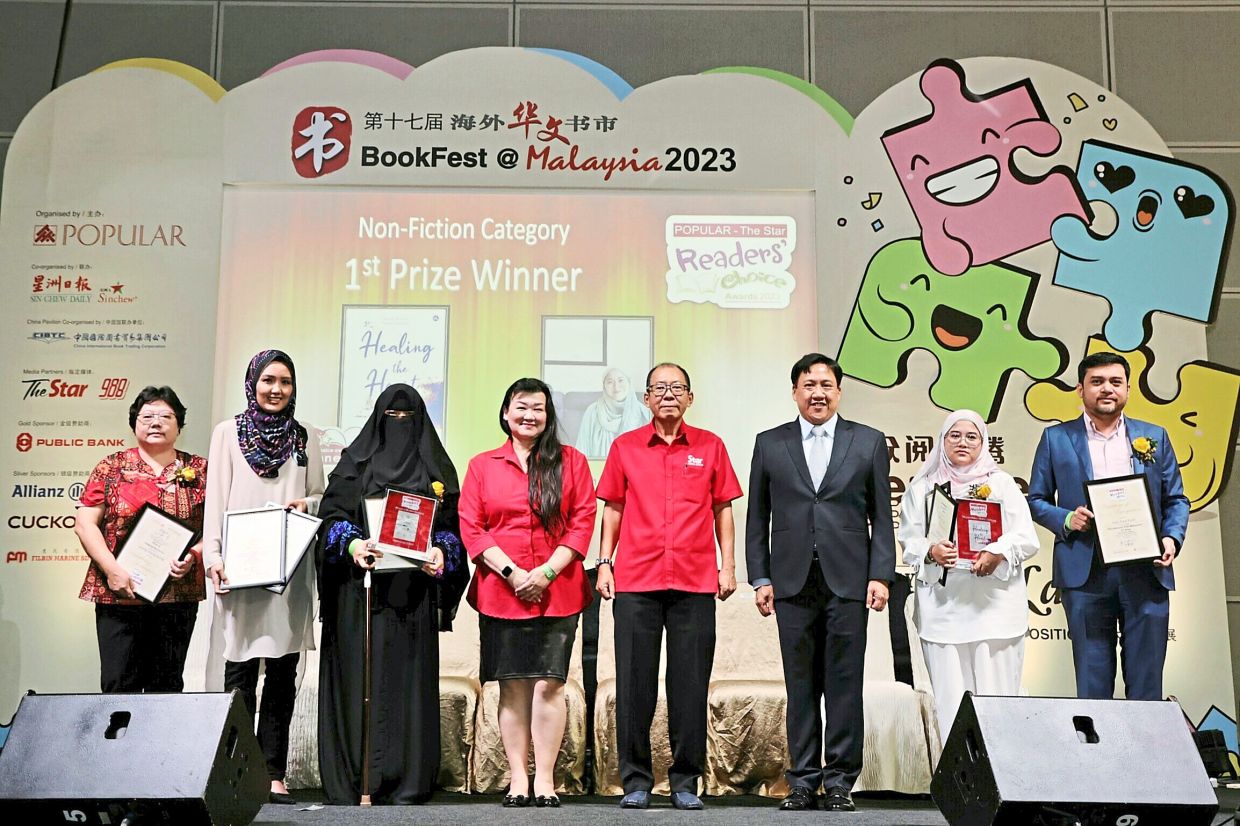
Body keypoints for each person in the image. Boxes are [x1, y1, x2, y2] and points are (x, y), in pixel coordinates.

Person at [745, 353, 894, 812]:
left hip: (849, 579)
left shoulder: (867, 442)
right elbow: (757, 516)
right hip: (791, 581)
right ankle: (804, 780)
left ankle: (841, 781)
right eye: (809, 385)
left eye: (827, 385)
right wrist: (760, 576)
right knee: (801, 685)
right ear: (795, 391)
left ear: (839, 391)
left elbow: (881, 518)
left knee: (845, 684)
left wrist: (880, 575)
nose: (818, 393)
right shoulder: (770, 443)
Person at [595, 362, 742, 811]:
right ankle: (636, 780)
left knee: (690, 685)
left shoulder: (711, 446)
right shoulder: (625, 447)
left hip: (695, 581)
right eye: (659, 388)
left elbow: (723, 510)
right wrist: (604, 563)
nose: (668, 395)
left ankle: (685, 781)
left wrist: (728, 565)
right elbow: (614, 509)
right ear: (645, 398)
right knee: (635, 683)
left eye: (677, 388)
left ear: (690, 398)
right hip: (636, 579)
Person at [316, 384, 468, 805]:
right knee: (357, 679)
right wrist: (352, 544)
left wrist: (441, 552)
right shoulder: (353, 465)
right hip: (357, 598)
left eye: (407, 418)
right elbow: (330, 520)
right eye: (391, 417)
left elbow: (452, 532)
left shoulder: (435, 469)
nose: (399, 425)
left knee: (406, 686)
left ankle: (407, 779)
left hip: (410, 600)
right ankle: (356, 776)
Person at [459, 378, 596, 808]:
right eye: (521, 407)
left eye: (538, 408)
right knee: (513, 685)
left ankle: (546, 779)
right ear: (505, 413)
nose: (529, 415)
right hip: (502, 590)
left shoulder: (571, 462)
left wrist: (546, 572)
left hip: (560, 592)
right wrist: (514, 573)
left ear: (548, 415)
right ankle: (519, 777)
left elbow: (583, 520)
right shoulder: (483, 465)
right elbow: (472, 526)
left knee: (550, 686)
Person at [1028, 351, 1188, 700]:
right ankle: (1098, 754)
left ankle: (1143, 754)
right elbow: (1036, 500)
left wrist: (1171, 538)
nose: (1106, 389)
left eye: (1115, 382)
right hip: (1086, 572)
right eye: (1097, 382)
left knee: (1147, 680)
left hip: (1146, 569)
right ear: (1080, 389)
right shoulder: (1056, 438)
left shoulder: (1154, 436)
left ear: (1128, 389)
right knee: (1092, 679)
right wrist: (1068, 518)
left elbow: (1176, 499)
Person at [203, 349, 325, 804]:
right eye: (269, 380)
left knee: (282, 672)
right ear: (252, 381)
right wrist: (212, 554)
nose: (276, 389)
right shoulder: (227, 433)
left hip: (288, 572)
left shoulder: (304, 435)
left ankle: (274, 771)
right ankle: (238, 771)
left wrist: (306, 506)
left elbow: (319, 494)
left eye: (286, 382)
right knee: (238, 673)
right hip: (240, 567)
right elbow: (216, 499)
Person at [898, 409, 1039, 736]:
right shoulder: (922, 488)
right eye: (955, 435)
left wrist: (996, 552)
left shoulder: (1001, 484)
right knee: (950, 704)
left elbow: (1026, 537)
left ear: (983, 442)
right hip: (945, 611)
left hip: (994, 610)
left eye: (972, 436)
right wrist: (931, 551)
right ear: (942, 441)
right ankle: (957, 782)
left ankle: (1000, 780)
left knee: (998, 702)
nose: (963, 442)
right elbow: (908, 540)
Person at [74, 386, 207, 693]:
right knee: (119, 684)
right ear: (134, 423)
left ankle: (158, 743)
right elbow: (85, 524)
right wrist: (112, 570)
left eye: (165, 416)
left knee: (167, 686)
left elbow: (214, 529)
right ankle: (117, 741)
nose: (155, 422)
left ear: (179, 425)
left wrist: (195, 556)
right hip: (119, 593)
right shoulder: (111, 466)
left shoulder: (200, 470)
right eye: (147, 416)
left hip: (177, 595)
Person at [575, 367, 651, 459]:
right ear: (604, 386)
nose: (616, 387)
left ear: (629, 382)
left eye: (621, 380)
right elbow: (580, 453)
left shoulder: (644, 413)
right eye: (610, 382)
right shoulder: (592, 412)